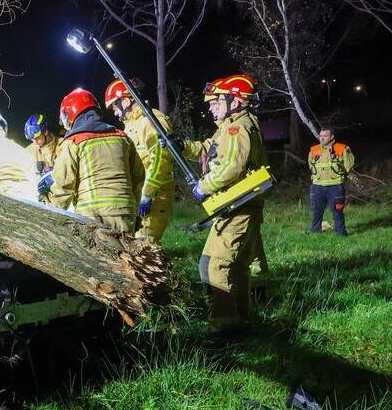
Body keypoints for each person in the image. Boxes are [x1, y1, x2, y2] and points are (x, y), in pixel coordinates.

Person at [182, 74, 269, 334]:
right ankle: (240, 321)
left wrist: (203, 187)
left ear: (236, 101)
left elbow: (232, 166)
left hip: (237, 207)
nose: (210, 107)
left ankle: (223, 328)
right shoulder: (230, 127)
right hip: (238, 207)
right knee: (238, 267)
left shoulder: (237, 128)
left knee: (213, 265)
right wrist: (181, 145)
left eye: (215, 102)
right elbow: (208, 149)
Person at [48, 88, 143, 233]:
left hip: (92, 215)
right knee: (126, 255)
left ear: (71, 113)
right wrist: (134, 210)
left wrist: (50, 218)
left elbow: (63, 186)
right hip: (126, 212)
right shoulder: (123, 138)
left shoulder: (74, 142)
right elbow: (138, 177)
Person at [103, 79, 175, 244]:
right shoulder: (132, 126)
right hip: (140, 198)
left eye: (115, 106)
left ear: (126, 100)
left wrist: (147, 194)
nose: (115, 112)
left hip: (155, 198)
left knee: (146, 247)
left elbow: (161, 160)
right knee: (137, 247)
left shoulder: (151, 120)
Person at [308, 127, 354, 235]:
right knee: (316, 211)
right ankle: (315, 233)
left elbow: (348, 166)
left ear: (332, 137)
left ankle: (341, 234)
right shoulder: (314, 150)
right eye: (321, 136)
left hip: (335, 186)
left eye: (325, 136)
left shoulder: (342, 148)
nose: (322, 138)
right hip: (317, 186)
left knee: (337, 211)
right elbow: (311, 166)